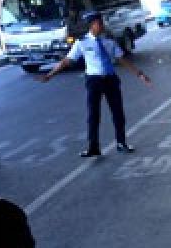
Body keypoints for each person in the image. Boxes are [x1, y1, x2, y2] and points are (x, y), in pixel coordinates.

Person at [42, 11, 151, 157]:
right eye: (99, 23)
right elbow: (67, 61)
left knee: (118, 113)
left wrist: (140, 74)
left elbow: (122, 60)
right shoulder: (82, 43)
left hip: (111, 80)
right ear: (92, 25)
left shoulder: (109, 41)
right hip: (94, 81)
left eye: (102, 23)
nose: (102, 26)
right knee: (93, 115)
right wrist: (50, 75)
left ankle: (121, 143)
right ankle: (93, 147)